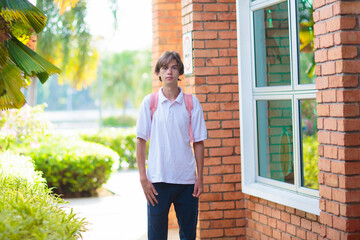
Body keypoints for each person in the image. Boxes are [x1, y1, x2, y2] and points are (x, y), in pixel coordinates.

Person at [136, 51, 207, 240]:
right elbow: (140, 141)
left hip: (187, 183)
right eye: (165, 67)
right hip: (157, 182)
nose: (169, 72)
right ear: (158, 73)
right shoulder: (149, 103)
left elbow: (198, 142)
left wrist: (200, 178)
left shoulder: (192, 103)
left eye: (174, 67)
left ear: (179, 72)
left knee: (188, 236)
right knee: (157, 237)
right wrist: (143, 178)